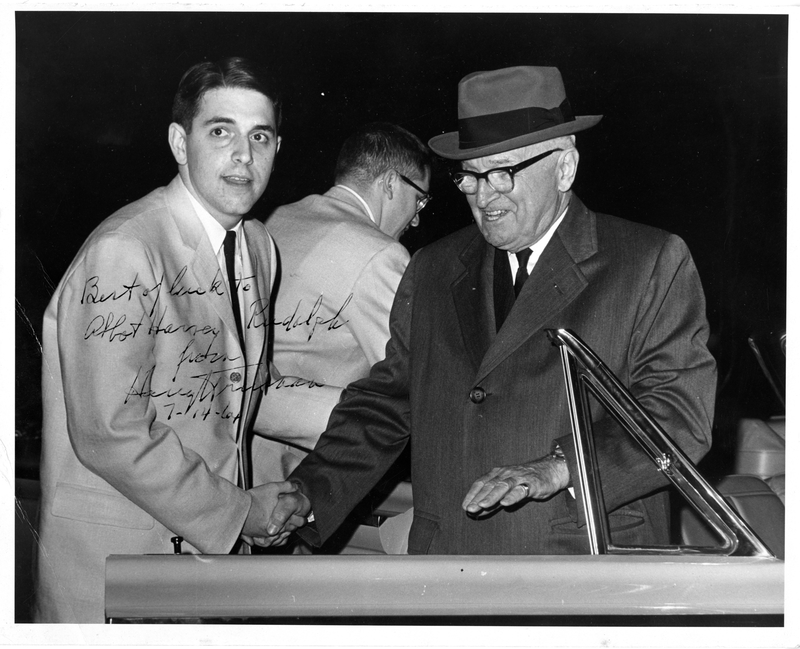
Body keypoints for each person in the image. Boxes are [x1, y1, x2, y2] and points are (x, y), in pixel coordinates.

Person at [261, 65, 716, 555]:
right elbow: (387, 403)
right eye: (471, 177)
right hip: (450, 570)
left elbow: (678, 421)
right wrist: (308, 493)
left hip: (582, 573)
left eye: (503, 173)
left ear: (564, 167)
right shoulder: (433, 269)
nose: (483, 197)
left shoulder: (649, 263)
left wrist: (556, 469)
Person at [34, 57, 303, 623]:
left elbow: (232, 404)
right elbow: (110, 432)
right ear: (180, 144)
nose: (243, 156)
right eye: (221, 131)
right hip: (120, 569)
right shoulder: (126, 248)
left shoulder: (258, 246)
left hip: (202, 573)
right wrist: (237, 513)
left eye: (261, 136)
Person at [251, 122, 432, 486]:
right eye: (420, 200)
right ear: (391, 184)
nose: (416, 219)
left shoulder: (279, 217)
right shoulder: (379, 253)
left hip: (235, 445)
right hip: (287, 473)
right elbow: (417, 379)